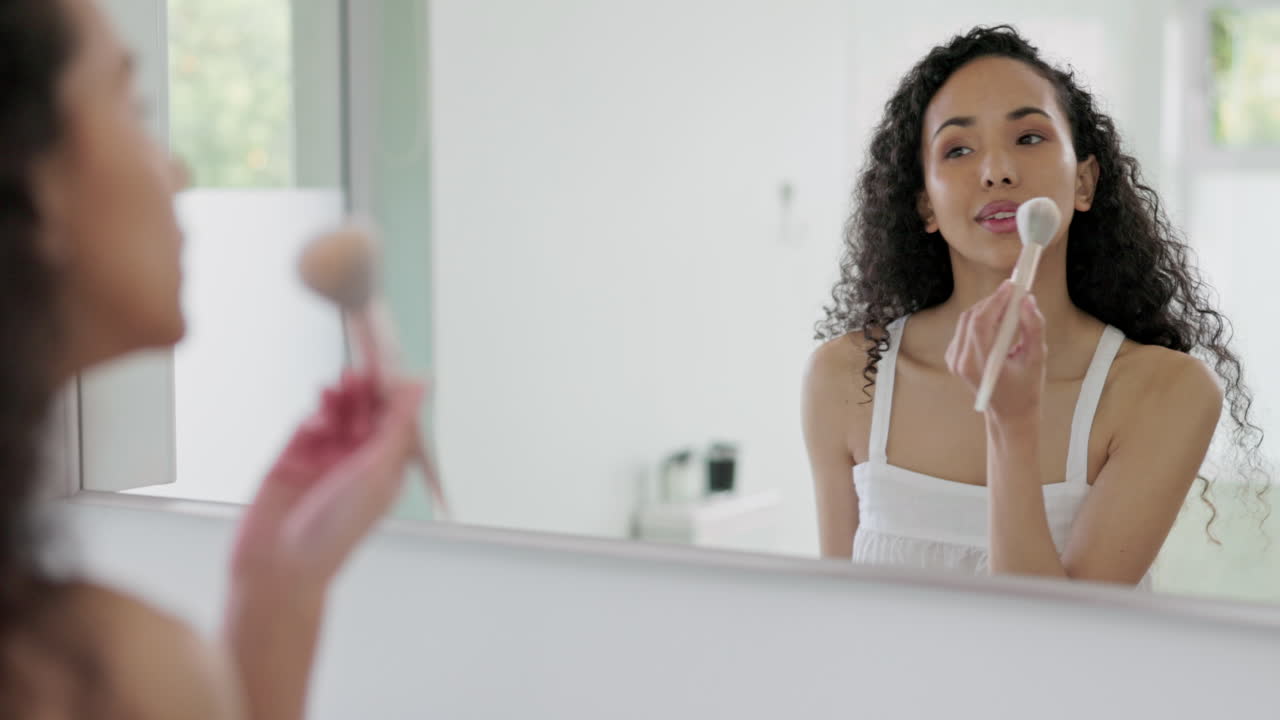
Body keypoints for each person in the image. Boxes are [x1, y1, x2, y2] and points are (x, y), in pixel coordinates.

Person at [0, 0, 424, 716]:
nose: (179, 170)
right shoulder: (92, 677)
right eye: (133, 107)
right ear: (31, 180)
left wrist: (277, 585)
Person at [803, 25, 1264, 586]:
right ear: (925, 204)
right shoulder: (847, 377)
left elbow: (1057, 651)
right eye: (958, 149)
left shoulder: (1168, 391)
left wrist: (1011, 428)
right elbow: (835, 622)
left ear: (1084, 182)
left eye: (1028, 138)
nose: (996, 171)